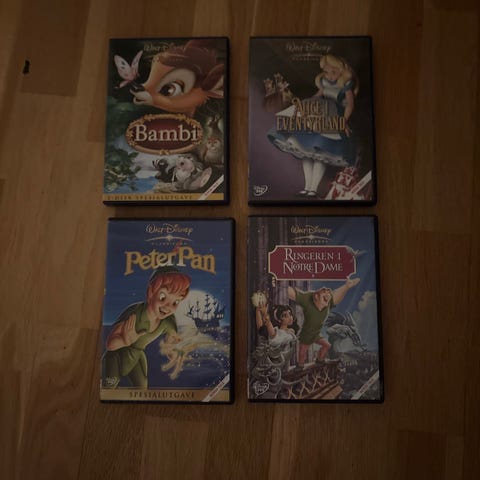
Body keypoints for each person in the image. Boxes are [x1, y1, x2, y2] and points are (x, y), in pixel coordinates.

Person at [268, 54, 358, 198]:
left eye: (333, 72)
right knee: (306, 152)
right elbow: (318, 95)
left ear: (341, 71)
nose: (329, 76)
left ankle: (313, 189)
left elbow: (350, 105)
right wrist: (304, 105)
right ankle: (307, 187)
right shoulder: (324, 81)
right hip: (319, 112)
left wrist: (343, 121)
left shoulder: (346, 84)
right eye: (326, 72)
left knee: (320, 154)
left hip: (333, 116)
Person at [102, 266, 190, 388]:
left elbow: (171, 344)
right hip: (115, 358)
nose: (168, 306)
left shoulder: (168, 321)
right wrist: (125, 340)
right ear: (151, 292)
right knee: (109, 387)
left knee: (142, 389)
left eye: (175, 302)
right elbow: (110, 344)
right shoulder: (135, 312)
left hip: (137, 357)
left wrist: (174, 352)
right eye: (163, 297)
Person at [288, 277, 360, 369]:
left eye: (329, 293)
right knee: (302, 352)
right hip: (306, 335)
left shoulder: (328, 303)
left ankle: (319, 360)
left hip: (316, 334)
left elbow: (336, 295)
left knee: (327, 345)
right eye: (324, 292)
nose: (328, 294)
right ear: (316, 296)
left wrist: (346, 286)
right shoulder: (308, 298)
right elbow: (292, 294)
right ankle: (300, 366)